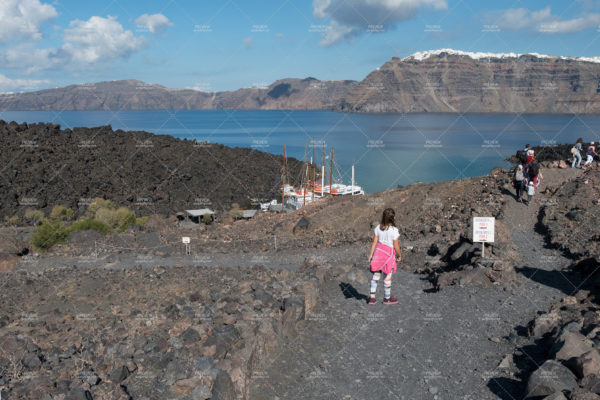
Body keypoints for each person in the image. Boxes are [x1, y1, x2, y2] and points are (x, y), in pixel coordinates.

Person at [367, 208, 402, 305]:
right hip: (388, 255)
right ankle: (387, 299)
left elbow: (374, 242)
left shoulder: (378, 228)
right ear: (394, 218)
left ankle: (372, 298)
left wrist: (371, 255)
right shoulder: (395, 231)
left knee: (376, 275)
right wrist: (399, 255)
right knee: (387, 276)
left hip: (378, 253)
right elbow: (396, 246)